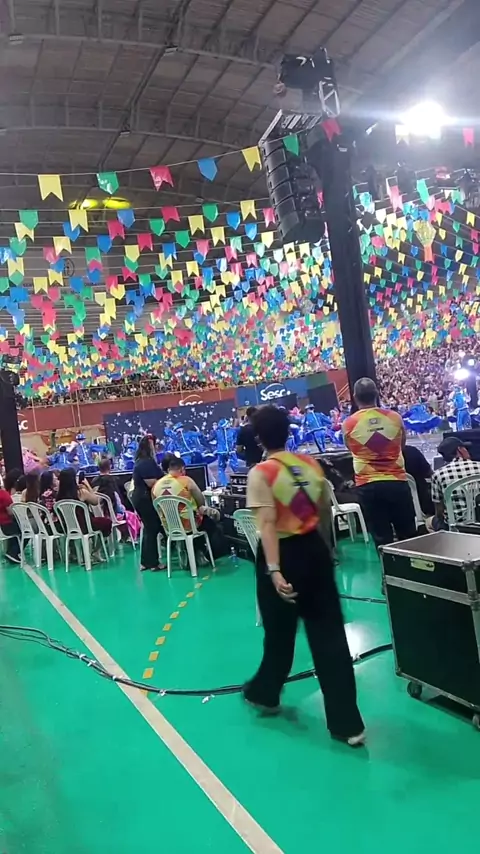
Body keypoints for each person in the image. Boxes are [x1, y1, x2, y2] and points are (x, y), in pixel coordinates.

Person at [243, 405, 365, 746]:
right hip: (315, 549)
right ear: (288, 431)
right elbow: (324, 511)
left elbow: (267, 525)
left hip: (283, 554)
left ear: (259, 438)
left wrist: (274, 569)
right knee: (330, 637)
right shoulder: (311, 465)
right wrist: (325, 550)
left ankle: (266, 694)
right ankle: (348, 725)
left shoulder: (262, 473)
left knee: (279, 633)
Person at [343, 378, 416, 549]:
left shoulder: (349, 424)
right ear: (376, 394)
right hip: (396, 481)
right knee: (409, 537)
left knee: (382, 540)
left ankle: (386, 566)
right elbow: (401, 446)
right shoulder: (395, 418)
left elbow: (352, 449)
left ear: (355, 397)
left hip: (367, 485)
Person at [152, 453, 220, 559]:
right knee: (210, 523)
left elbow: (157, 508)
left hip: (169, 527)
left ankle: (191, 552)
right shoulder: (186, 480)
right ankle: (206, 553)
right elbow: (201, 501)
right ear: (182, 469)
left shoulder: (156, 485)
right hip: (189, 526)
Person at [130, 436, 164, 571]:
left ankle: (146, 561)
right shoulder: (146, 463)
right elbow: (151, 483)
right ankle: (152, 563)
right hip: (145, 499)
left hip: (140, 498)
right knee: (152, 528)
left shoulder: (141, 461)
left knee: (149, 529)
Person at [430, 437, 480, 528]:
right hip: (478, 521)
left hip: (456, 527)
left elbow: (439, 510)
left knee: (430, 521)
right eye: (465, 448)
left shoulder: (438, 474)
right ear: (460, 450)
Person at [56, 467, 112, 540]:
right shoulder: (81, 493)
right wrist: (88, 486)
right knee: (107, 522)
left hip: (67, 527)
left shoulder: (59, 496)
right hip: (85, 526)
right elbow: (95, 501)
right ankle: (100, 543)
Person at [402, 444, 434, 516]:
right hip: (422, 505)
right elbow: (428, 473)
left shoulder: (381, 457)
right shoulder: (412, 451)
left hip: (398, 508)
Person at [0, 468, 22, 563]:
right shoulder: (4, 495)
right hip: (6, 524)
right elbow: (10, 512)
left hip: (2, 526)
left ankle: (11, 550)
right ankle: (13, 552)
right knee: (27, 529)